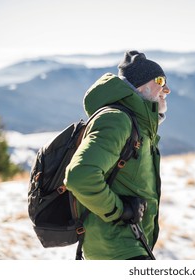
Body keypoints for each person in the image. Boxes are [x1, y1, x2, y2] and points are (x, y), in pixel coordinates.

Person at [64, 50, 170, 260]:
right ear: (141, 85)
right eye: (160, 80)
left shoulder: (137, 124)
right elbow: (79, 176)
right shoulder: (117, 120)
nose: (167, 89)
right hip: (116, 247)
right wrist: (119, 210)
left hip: (128, 243)